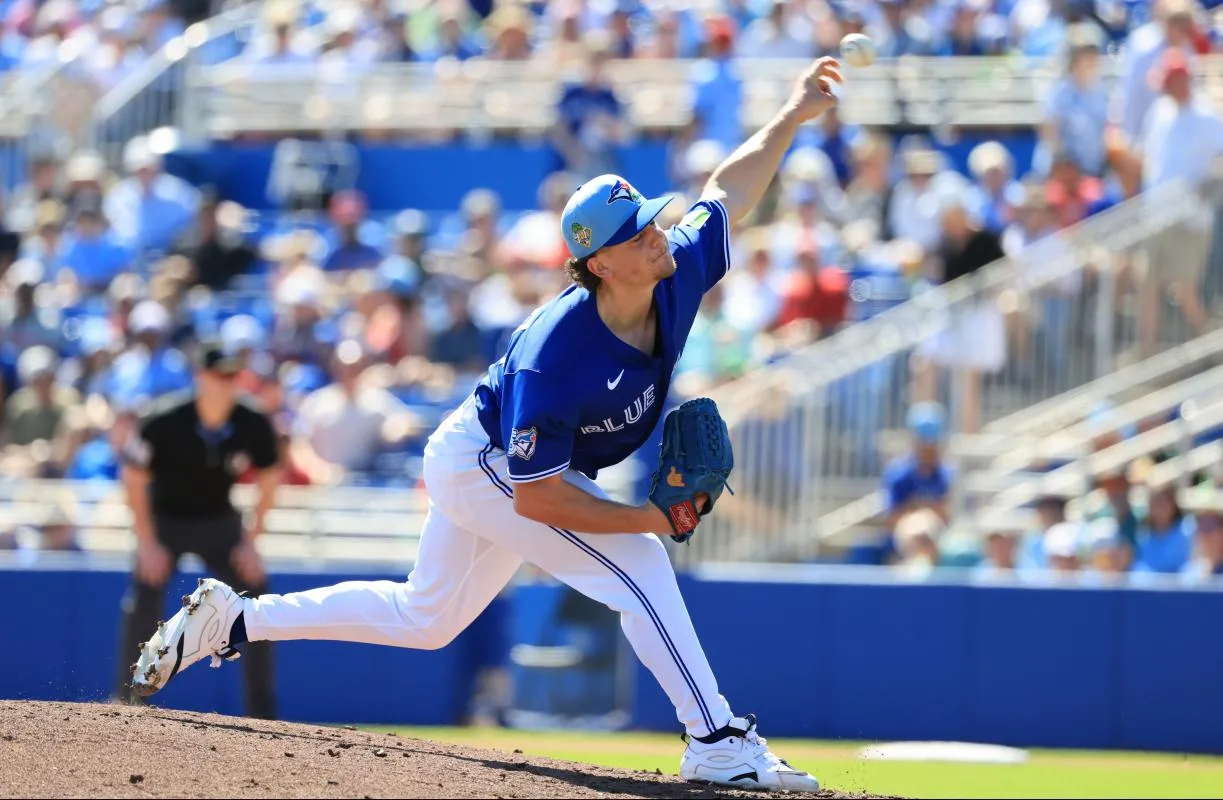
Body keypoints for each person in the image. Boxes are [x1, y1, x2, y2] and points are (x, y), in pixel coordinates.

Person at [129, 57, 847, 792]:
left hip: (508, 461)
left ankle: (234, 620)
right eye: (635, 234)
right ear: (597, 263)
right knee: (640, 569)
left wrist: (790, 115)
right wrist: (643, 520)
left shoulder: (674, 269)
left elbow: (728, 188)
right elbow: (536, 499)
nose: (656, 235)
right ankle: (716, 740)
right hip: (485, 462)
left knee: (425, 618)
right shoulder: (554, 356)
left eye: (650, 222)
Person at [115, 342, 281, 720]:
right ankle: (127, 703)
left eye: (233, 376)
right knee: (144, 599)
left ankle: (263, 712)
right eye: (219, 375)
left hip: (219, 520)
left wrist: (251, 542)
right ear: (199, 378)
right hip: (166, 520)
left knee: (256, 599)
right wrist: (147, 542)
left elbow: (271, 476)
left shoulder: (251, 421)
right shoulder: (163, 418)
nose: (226, 383)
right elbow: (133, 477)